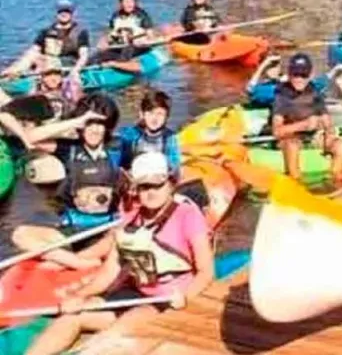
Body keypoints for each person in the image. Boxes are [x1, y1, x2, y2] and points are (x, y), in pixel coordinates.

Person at [25, 152, 215, 355]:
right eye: (143, 186)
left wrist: (186, 297)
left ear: (170, 182)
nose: (150, 192)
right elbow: (109, 272)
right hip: (134, 294)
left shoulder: (187, 215)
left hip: (168, 300)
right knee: (71, 316)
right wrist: (79, 296)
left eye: (156, 185)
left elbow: (206, 271)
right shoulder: (130, 219)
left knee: (114, 335)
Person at [13, 93, 120, 271]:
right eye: (89, 124)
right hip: (73, 230)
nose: (94, 130)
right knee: (20, 235)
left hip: (106, 231)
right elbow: (29, 137)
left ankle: (64, 261)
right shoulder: (68, 149)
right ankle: (78, 262)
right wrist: (75, 121)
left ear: (107, 127)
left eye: (100, 125)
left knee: (123, 236)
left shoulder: (118, 147)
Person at [271, 53, 342, 181]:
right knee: (292, 145)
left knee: (340, 145)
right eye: (295, 74)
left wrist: (328, 136)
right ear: (289, 75)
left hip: (311, 137)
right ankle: (296, 182)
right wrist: (303, 125)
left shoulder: (315, 94)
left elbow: (327, 122)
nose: (299, 79)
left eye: (303, 75)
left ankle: (334, 180)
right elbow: (277, 131)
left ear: (310, 75)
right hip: (289, 139)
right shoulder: (282, 97)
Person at [0, 59, 82, 150]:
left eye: (57, 74)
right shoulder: (33, 89)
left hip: (54, 128)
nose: (54, 78)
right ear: (42, 76)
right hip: (32, 123)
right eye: (48, 74)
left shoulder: (68, 90)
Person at [2, 0, 90, 80]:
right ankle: (11, 73)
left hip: (68, 63)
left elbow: (83, 55)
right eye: (61, 11)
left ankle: (33, 78)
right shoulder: (46, 31)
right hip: (48, 61)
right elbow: (33, 50)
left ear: (72, 14)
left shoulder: (80, 32)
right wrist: (19, 64)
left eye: (67, 11)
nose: (64, 14)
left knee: (40, 60)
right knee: (32, 56)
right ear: (57, 13)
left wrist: (76, 71)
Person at [116, 90, 181, 178]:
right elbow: (121, 164)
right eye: (150, 113)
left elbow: (174, 166)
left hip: (159, 179)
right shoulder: (130, 135)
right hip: (134, 178)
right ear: (142, 114)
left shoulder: (169, 138)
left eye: (160, 114)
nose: (154, 118)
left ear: (167, 117)